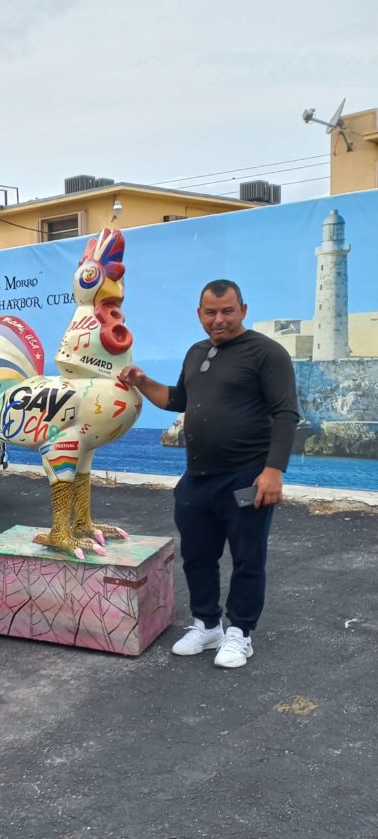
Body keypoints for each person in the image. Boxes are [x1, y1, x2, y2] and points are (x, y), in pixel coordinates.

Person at [119, 279, 299, 670]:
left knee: (248, 557)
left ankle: (241, 633)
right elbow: (179, 400)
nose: (219, 320)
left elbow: (286, 414)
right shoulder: (196, 352)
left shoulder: (267, 353)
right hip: (198, 476)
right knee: (198, 555)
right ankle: (207, 624)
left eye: (227, 311)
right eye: (211, 312)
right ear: (199, 314)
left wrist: (273, 471)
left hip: (247, 476)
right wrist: (143, 382)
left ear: (243, 310)